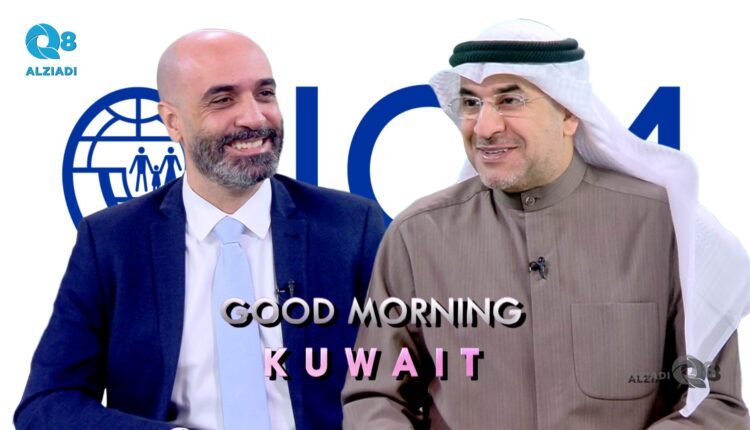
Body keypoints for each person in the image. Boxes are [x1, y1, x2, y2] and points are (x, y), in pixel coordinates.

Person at [342, 20, 749, 429]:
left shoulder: (665, 227)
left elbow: (713, 404)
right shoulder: (417, 237)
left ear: (569, 112)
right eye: (471, 103)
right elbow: (375, 396)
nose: (484, 127)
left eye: (509, 100)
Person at [16, 29, 385, 430]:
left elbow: (407, 376)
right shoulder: (111, 241)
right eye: (223, 100)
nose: (254, 117)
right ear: (173, 122)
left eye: (265, 93)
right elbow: (47, 403)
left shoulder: (350, 227)